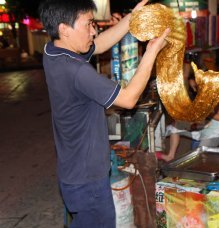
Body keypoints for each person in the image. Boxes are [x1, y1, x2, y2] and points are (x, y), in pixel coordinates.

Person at [39, 0, 170, 227]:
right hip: (88, 179)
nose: (94, 30)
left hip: (72, 171)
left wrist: (132, 18)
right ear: (64, 28)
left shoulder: (53, 52)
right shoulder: (77, 70)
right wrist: (152, 52)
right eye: (89, 24)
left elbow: (98, 45)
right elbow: (128, 99)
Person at [157, 76, 219, 162]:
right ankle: (170, 156)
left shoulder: (216, 96)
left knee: (199, 157)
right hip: (204, 127)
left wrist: (204, 113)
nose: (195, 88)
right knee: (174, 127)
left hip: (216, 133)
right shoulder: (203, 94)